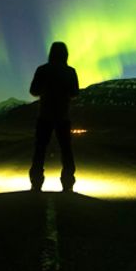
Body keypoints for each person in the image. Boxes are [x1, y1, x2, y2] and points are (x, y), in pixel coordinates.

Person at [29, 41, 79, 192]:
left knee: (40, 149)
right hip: (63, 116)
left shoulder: (42, 70)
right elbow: (75, 93)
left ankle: (36, 183)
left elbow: (33, 90)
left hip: (45, 115)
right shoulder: (70, 71)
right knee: (66, 150)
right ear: (66, 54)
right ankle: (67, 183)